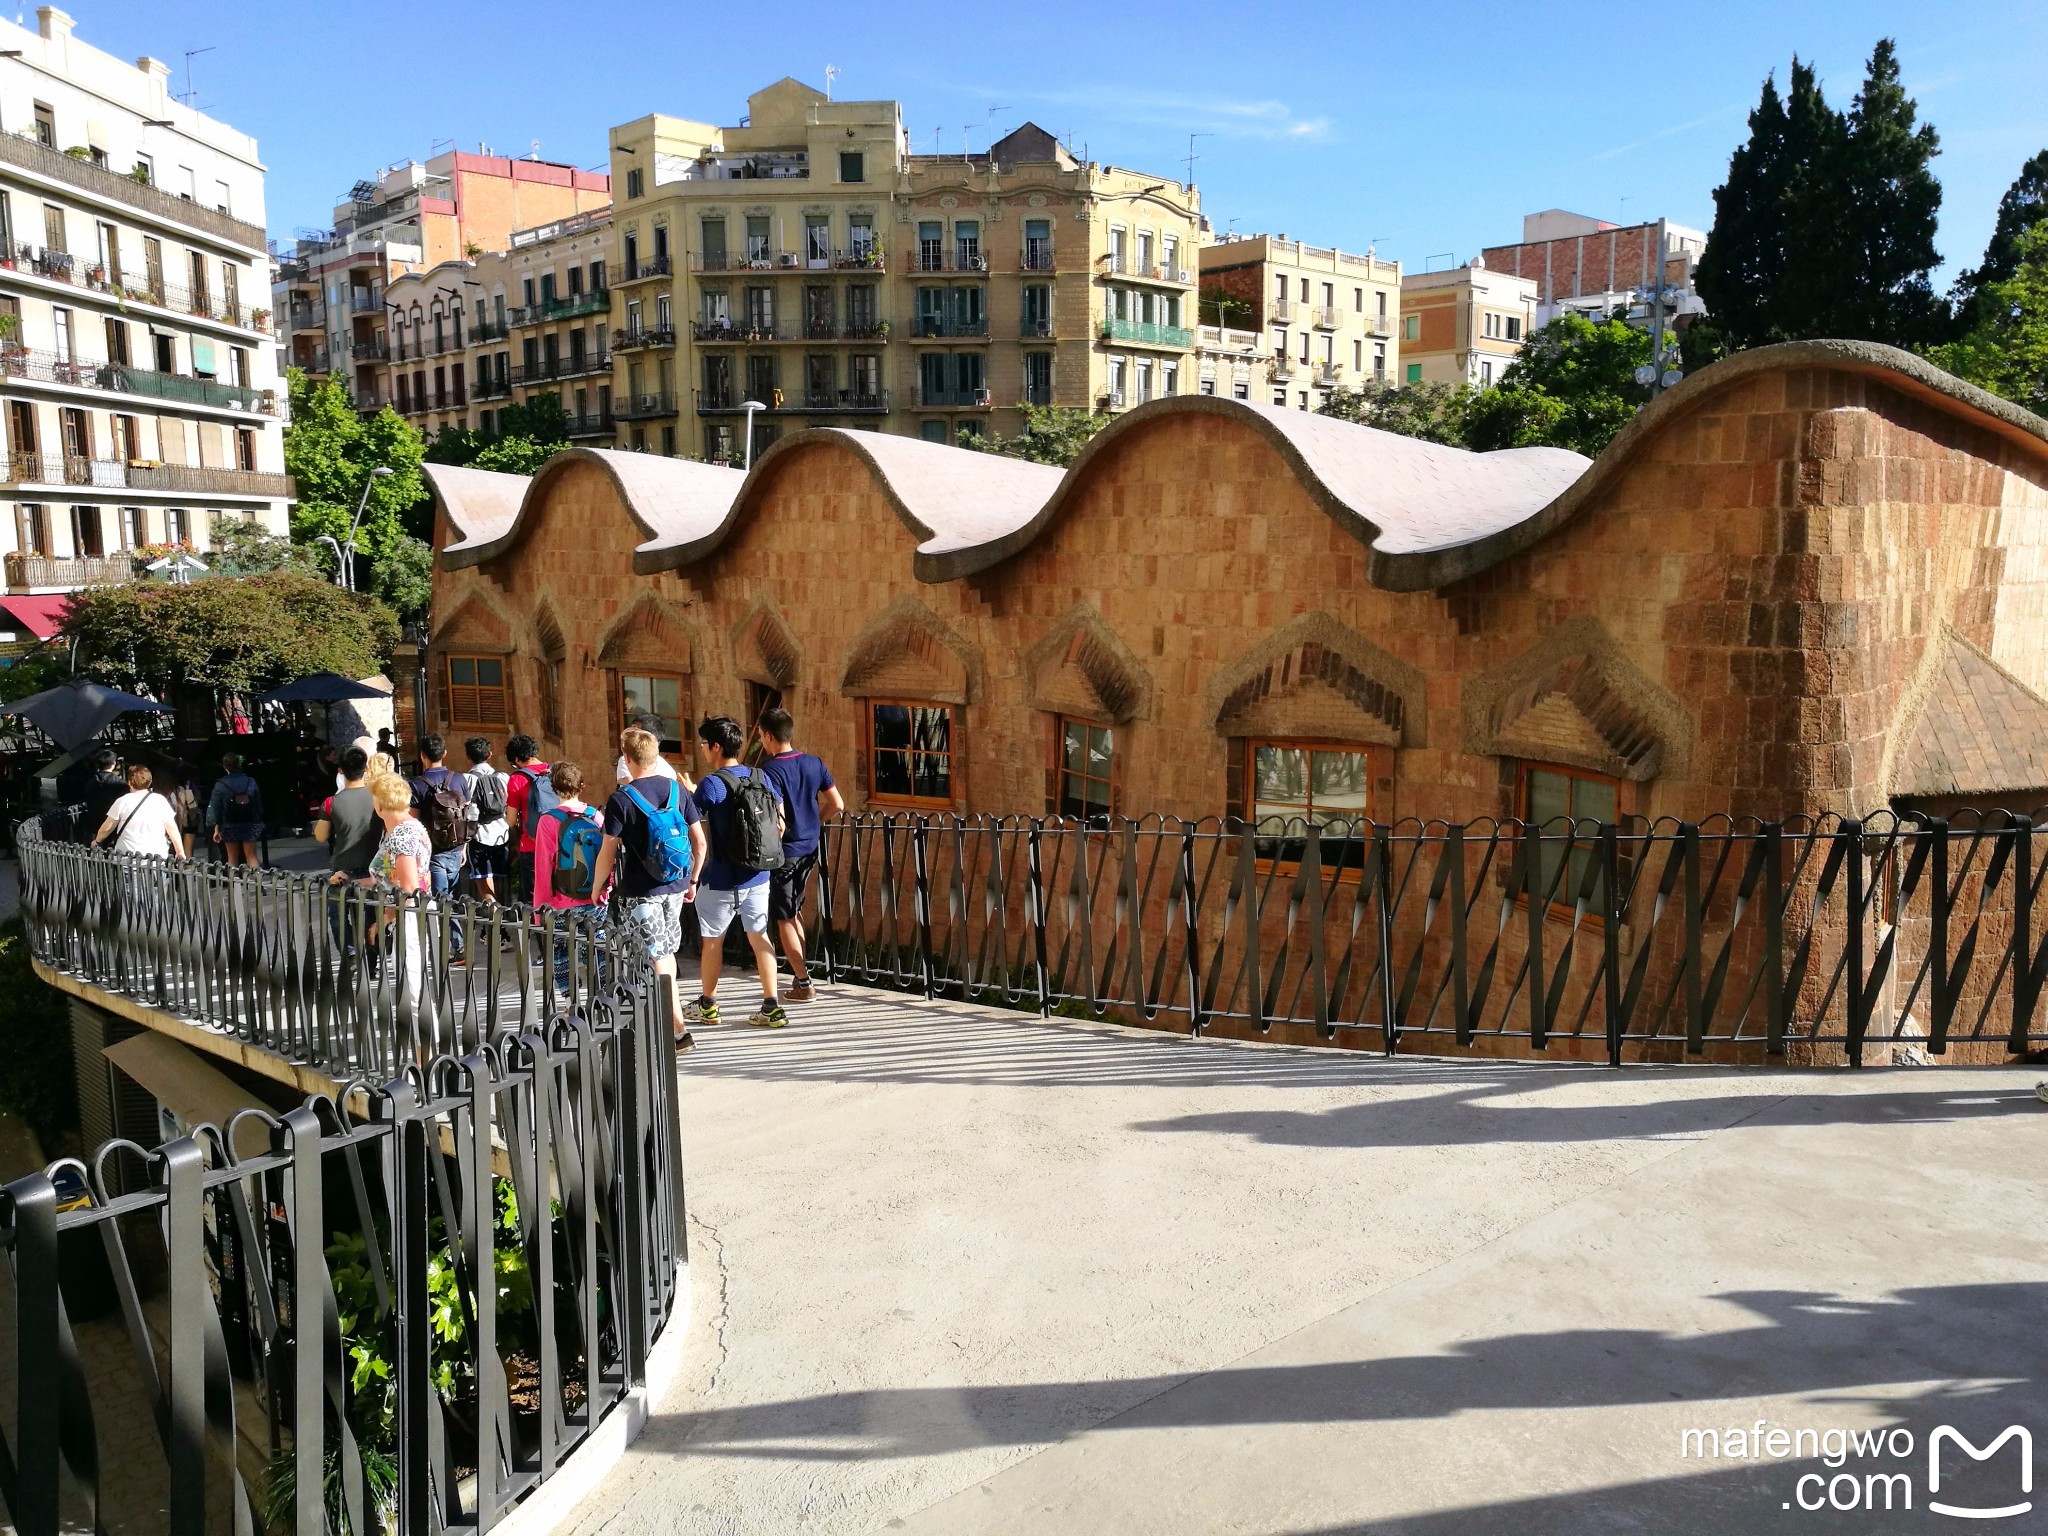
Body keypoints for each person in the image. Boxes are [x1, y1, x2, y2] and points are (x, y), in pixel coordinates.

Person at [591, 726, 705, 1043]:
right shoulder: (677, 791)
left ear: (627, 759)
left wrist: (598, 886)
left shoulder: (621, 799)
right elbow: (700, 842)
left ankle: (677, 1030)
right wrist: (693, 880)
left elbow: (607, 852)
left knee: (653, 957)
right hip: (676, 885)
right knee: (664, 954)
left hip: (641, 892)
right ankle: (664, 1024)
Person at [683, 715, 786, 1030]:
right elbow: (780, 823)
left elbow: (689, 824)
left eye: (704, 744)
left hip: (721, 878)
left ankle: (709, 1005)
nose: (703, 749)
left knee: (713, 941)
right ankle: (772, 1006)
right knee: (760, 936)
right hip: (759, 875)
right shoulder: (761, 776)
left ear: (716, 747)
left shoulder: (713, 784)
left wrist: (691, 792)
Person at [755, 707, 844, 1004]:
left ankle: (804, 984)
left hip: (785, 852)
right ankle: (800, 976)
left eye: (761, 735)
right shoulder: (813, 762)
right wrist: (815, 821)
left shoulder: (769, 770)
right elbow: (837, 804)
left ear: (769, 736)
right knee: (794, 913)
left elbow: (777, 817)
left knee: (783, 918)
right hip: (809, 848)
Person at [529, 761, 617, 1015]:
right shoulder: (596, 816)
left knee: (561, 952)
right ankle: (603, 998)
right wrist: (605, 890)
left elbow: (543, 869)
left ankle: (572, 1003)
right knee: (597, 947)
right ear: (582, 785)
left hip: (561, 901)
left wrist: (539, 910)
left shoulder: (549, 821)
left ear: (553, 787)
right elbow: (608, 857)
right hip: (594, 897)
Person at [365, 767, 431, 1008]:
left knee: (413, 988)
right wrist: (351, 883)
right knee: (411, 984)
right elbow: (388, 877)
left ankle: (423, 1033)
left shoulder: (402, 835)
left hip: (409, 916)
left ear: (380, 805)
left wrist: (383, 919)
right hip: (408, 915)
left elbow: (409, 889)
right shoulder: (404, 828)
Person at [408, 735, 471, 962]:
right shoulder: (459, 779)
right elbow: (466, 815)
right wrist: (464, 847)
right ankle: (456, 945)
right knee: (451, 896)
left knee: (442, 898)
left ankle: (456, 947)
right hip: (456, 847)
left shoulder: (416, 784)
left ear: (422, 756)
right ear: (444, 753)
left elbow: (413, 821)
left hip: (432, 851)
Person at [323, 746, 380, 951]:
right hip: (372, 864)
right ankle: (373, 956)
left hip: (343, 866)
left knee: (337, 914)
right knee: (371, 913)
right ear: (366, 767)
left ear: (340, 770)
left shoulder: (331, 802)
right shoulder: (377, 797)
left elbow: (320, 835)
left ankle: (350, 952)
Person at [91, 763, 186, 859]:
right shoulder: (160, 800)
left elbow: (107, 828)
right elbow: (172, 829)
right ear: (149, 782)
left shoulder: (122, 801)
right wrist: (179, 851)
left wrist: (97, 841)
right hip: (156, 856)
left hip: (128, 856)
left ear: (129, 782)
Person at [504, 734, 553, 906]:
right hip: (558, 844)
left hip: (531, 845)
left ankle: (537, 923)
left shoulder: (517, 779)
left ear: (517, 759)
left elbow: (510, 821)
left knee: (533, 898)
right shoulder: (555, 772)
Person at [463, 736, 511, 903]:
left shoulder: (467, 779)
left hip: (478, 836)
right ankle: (505, 912)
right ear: (490, 755)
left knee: (483, 881)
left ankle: (492, 912)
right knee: (501, 880)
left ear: (468, 757)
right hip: (502, 835)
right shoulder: (503, 777)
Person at [207, 753, 264, 866]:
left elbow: (215, 808)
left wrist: (215, 827)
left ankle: (234, 877)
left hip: (229, 823)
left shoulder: (220, 784)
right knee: (251, 855)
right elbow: (258, 804)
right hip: (250, 821)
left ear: (225, 767)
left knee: (232, 856)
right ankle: (256, 876)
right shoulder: (250, 781)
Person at [615, 715, 687, 788]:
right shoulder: (669, 770)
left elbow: (631, 783)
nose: (629, 735)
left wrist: (621, 780)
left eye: (634, 731)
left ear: (647, 737)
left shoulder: (627, 759)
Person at [80, 749, 125, 842]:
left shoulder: (90, 782)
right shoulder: (120, 783)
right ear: (113, 764)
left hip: (94, 822)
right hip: (114, 824)